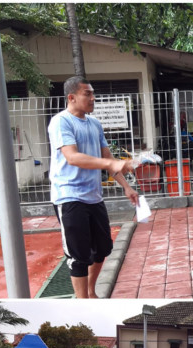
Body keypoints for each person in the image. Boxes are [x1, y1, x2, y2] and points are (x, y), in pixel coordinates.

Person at [48, 76, 139, 299]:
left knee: (102, 250)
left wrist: (126, 187)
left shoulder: (94, 123)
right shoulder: (61, 122)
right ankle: (82, 301)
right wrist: (110, 163)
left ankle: (90, 291)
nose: (93, 98)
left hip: (94, 196)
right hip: (68, 196)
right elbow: (73, 157)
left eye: (92, 93)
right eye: (87, 94)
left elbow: (107, 156)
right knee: (78, 256)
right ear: (72, 97)